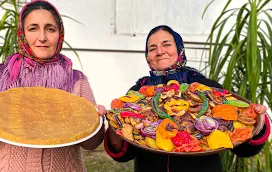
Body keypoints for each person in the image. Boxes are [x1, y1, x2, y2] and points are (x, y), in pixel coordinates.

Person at [0, 0, 106, 172]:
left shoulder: (76, 81)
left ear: (60, 33)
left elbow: (91, 144)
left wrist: (95, 122)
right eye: (33, 28)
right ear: (22, 33)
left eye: (50, 29)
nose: (42, 37)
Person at [104, 25, 271, 172]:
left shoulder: (208, 89)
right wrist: (115, 123)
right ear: (147, 56)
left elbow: (244, 149)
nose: (160, 51)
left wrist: (257, 120)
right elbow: (124, 153)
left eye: (167, 44)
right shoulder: (137, 93)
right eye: (152, 48)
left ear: (179, 48)